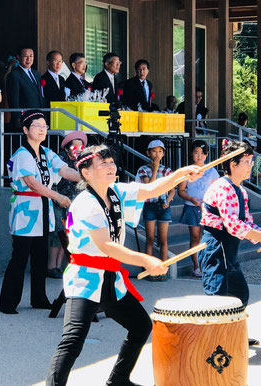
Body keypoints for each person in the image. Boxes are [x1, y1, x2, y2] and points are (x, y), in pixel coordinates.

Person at [46, 144, 202, 386]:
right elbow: (106, 246)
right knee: (73, 340)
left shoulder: (116, 192)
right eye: (103, 164)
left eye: (111, 162)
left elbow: (151, 189)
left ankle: (118, 379)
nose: (111, 167)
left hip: (111, 276)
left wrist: (181, 174)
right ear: (86, 172)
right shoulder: (86, 203)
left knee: (140, 326)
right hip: (86, 277)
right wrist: (145, 260)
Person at [198, 139, 261, 346]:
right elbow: (233, 225)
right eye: (247, 162)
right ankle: (214, 346)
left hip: (228, 250)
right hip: (215, 248)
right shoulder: (223, 187)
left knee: (240, 294)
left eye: (252, 162)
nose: (251, 166)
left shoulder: (240, 190)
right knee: (217, 299)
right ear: (232, 164)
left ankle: (234, 337)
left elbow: (246, 223)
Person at [0, 110, 80, 314]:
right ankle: (8, 302)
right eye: (37, 126)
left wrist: (87, 177)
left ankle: (39, 297)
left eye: (45, 126)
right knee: (20, 256)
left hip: (43, 208)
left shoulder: (47, 152)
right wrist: (57, 196)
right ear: (26, 129)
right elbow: (32, 183)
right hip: (25, 208)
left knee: (40, 255)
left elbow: (64, 170)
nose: (43, 129)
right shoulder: (22, 154)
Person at [48, 131, 88, 279]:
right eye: (74, 146)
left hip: (73, 202)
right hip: (58, 200)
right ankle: (52, 266)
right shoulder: (60, 159)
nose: (78, 149)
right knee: (57, 233)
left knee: (67, 234)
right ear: (67, 147)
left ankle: (59, 266)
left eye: (81, 146)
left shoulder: (81, 161)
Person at [178, 140, 219, 277]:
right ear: (192, 154)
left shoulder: (212, 170)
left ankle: (208, 265)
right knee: (195, 237)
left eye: (202, 153)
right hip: (192, 207)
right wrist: (190, 199)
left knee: (208, 237)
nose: (199, 156)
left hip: (208, 208)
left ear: (207, 154)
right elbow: (181, 190)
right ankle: (197, 267)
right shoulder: (187, 171)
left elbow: (217, 189)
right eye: (196, 152)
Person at [135, 140, 173, 281]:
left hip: (163, 206)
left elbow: (172, 191)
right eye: (154, 151)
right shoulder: (143, 169)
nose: (157, 154)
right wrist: (156, 169)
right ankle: (149, 270)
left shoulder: (168, 170)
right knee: (150, 238)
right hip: (149, 205)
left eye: (159, 151)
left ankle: (163, 270)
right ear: (148, 152)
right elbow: (149, 187)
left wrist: (168, 201)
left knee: (163, 240)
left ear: (163, 153)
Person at [6, 47, 46, 128]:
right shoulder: (14, 75)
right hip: (24, 116)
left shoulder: (36, 74)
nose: (28, 59)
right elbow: (13, 99)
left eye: (31, 56)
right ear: (18, 57)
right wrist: (17, 117)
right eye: (25, 56)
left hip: (38, 115)